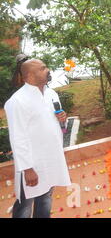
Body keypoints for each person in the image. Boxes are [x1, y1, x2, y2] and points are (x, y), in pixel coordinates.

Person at [4, 59, 71, 218]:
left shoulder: (51, 93)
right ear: (30, 76)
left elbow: (57, 125)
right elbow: (17, 137)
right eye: (42, 68)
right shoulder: (17, 101)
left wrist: (63, 119)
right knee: (25, 203)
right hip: (32, 163)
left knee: (46, 198)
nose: (47, 70)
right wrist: (28, 169)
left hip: (51, 158)